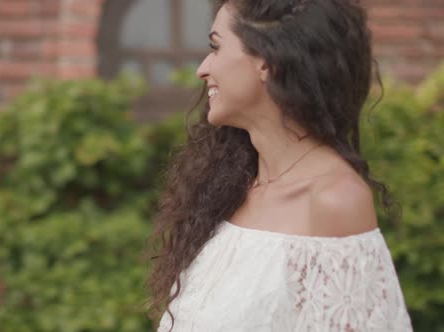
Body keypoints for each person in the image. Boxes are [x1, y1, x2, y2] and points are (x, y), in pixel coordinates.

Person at [143, 0, 414, 331]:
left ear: (266, 61)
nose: (202, 68)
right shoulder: (232, 191)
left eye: (216, 47)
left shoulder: (334, 202)